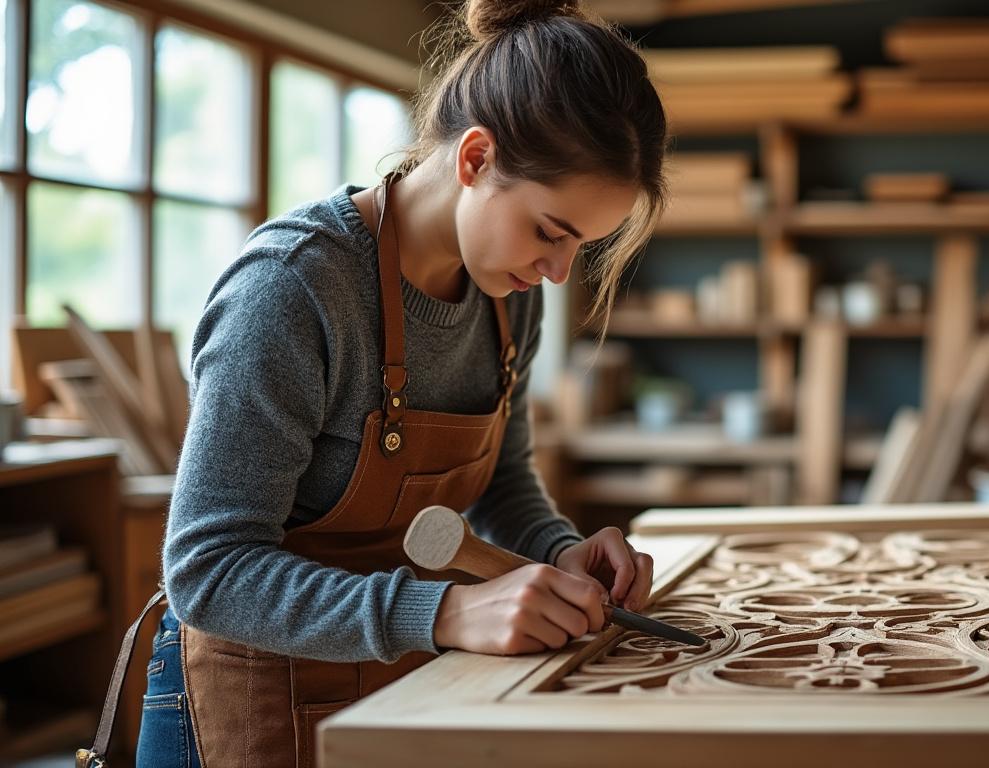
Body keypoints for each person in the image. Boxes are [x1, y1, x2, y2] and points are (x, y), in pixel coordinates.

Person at [133, 1, 668, 765]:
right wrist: (445, 610)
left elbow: (503, 483)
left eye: (580, 247)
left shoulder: (511, 300)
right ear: (476, 158)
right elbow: (208, 570)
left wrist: (559, 551)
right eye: (551, 231)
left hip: (411, 682)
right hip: (245, 700)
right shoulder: (294, 289)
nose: (556, 271)